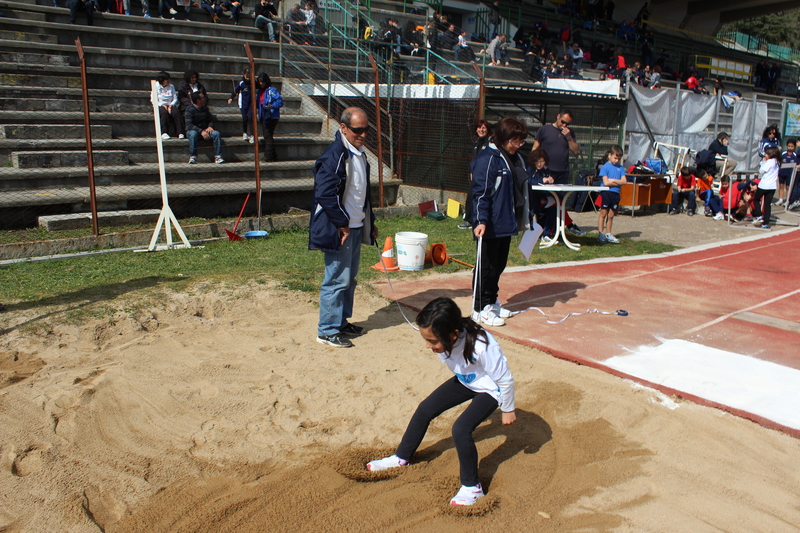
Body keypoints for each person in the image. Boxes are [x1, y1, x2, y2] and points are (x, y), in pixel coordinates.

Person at [365, 297, 516, 507]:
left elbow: (505, 379)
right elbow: (454, 362)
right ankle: (401, 457)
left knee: (461, 429)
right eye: (426, 339)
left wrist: (508, 409)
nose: (428, 346)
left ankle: (472, 486)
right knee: (425, 409)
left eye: (433, 341)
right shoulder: (446, 339)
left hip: (491, 389)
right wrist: (441, 348)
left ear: (454, 334)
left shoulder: (482, 345)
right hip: (466, 379)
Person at [310, 107, 378, 348]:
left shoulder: (359, 153)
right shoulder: (334, 154)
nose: (362, 134)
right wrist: (342, 224)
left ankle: (340, 322)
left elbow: (361, 192)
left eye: (366, 130)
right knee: (337, 279)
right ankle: (327, 330)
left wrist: (370, 222)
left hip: (357, 225)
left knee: (349, 278)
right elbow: (325, 194)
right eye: (357, 130)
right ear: (343, 127)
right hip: (340, 228)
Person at [471, 116, 528, 327]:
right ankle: (480, 308)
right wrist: (480, 220)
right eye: (514, 141)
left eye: (520, 141)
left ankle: (491, 301)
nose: (517, 145)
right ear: (503, 137)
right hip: (489, 223)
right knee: (486, 266)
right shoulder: (488, 158)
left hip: (506, 221)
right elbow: (480, 193)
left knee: (499, 265)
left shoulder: (514, 158)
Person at [530, 110, 586, 236]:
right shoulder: (544, 130)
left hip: (562, 171)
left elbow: (575, 150)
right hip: (547, 171)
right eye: (563, 122)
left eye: (568, 123)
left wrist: (569, 137)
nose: (564, 125)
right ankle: (549, 228)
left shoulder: (569, 133)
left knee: (559, 201)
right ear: (558, 116)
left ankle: (558, 228)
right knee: (546, 200)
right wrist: (533, 164)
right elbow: (535, 148)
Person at [458, 120, 492, 230]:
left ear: (488, 130)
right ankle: (468, 220)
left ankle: (481, 220)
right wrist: (472, 172)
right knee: (470, 197)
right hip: (475, 176)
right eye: (479, 127)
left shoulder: (490, 143)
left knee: (481, 198)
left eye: (484, 128)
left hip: (484, 176)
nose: (481, 130)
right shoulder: (477, 143)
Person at [596, 145, 626, 243]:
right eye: (615, 158)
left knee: (611, 214)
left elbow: (624, 181)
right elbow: (606, 183)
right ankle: (600, 233)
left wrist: (613, 180)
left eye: (619, 159)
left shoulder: (620, 168)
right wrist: (617, 181)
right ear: (610, 155)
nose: (617, 160)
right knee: (603, 213)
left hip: (615, 193)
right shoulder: (605, 167)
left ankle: (608, 233)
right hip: (606, 192)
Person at [528, 148, 557, 242]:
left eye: (542, 161)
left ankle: (547, 233)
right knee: (550, 205)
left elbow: (548, 179)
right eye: (538, 161)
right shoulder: (530, 170)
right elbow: (529, 182)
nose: (540, 164)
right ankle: (534, 232)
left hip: (542, 198)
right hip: (531, 199)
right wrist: (541, 181)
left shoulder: (545, 170)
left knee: (554, 206)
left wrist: (550, 180)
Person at [185, 92, 223, 164]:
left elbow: (210, 120)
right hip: (194, 131)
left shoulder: (205, 108)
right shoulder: (189, 109)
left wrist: (210, 126)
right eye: (202, 97)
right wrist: (201, 131)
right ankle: (193, 157)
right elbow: (189, 125)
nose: (204, 98)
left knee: (216, 134)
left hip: (205, 130)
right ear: (197, 100)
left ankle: (218, 156)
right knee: (193, 134)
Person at [752, 146, 781, 229]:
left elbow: (761, 171)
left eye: (767, 153)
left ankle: (759, 214)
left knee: (756, 199)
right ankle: (766, 223)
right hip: (772, 186)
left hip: (765, 185)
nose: (765, 155)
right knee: (767, 205)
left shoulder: (770, 161)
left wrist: (763, 162)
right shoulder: (777, 162)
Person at [257, 72, 282, 162]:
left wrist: (272, 106)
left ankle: (268, 156)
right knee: (268, 136)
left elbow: (280, 101)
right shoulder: (260, 91)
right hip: (263, 116)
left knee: (267, 136)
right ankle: (273, 155)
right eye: (260, 82)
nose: (261, 84)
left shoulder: (272, 90)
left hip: (271, 116)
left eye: (262, 82)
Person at [228, 68, 254, 143]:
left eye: (249, 76)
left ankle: (252, 135)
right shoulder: (241, 83)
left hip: (250, 103)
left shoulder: (252, 82)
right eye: (247, 76)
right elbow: (235, 91)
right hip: (243, 103)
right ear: (244, 75)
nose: (248, 78)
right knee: (245, 118)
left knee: (250, 118)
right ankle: (245, 133)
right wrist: (231, 98)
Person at [156, 71, 183, 140]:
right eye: (166, 79)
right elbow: (153, 99)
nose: (168, 81)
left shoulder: (171, 86)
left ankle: (180, 132)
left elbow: (175, 98)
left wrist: (171, 105)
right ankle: (164, 132)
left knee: (176, 112)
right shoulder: (156, 86)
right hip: (160, 105)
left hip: (170, 104)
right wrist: (161, 105)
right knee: (164, 113)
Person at [778, 139, 800, 206]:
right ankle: (780, 199)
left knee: (788, 187)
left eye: (792, 146)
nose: (790, 148)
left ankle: (788, 200)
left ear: (794, 147)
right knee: (781, 186)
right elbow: (779, 161)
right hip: (782, 172)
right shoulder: (783, 153)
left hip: (790, 173)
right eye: (789, 146)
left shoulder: (795, 154)